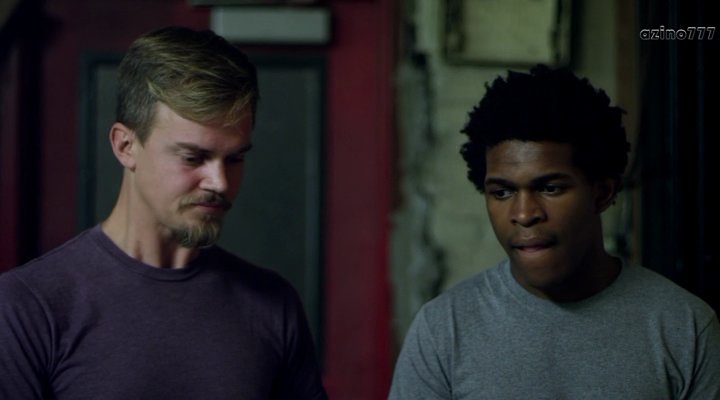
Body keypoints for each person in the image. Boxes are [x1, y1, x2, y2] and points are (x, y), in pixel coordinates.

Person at [0, 26, 327, 400]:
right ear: (126, 146)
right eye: (193, 157)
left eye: (234, 158)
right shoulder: (29, 306)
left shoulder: (272, 305)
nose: (220, 182)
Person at [389, 65, 720, 399]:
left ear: (602, 193)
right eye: (502, 192)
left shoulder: (685, 328)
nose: (524, 214)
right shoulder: (443, 330)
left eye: (550, 188)